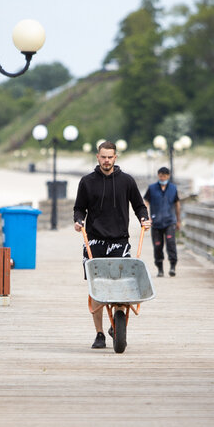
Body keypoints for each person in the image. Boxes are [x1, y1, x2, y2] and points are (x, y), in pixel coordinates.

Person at [73, 141, 151, 349]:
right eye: (103, 157)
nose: (106, 161)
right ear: (97, 157)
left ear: (115, 158)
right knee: (96, 290)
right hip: (95, 242)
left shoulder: (126, 181)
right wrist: (78, 221)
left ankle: (117, 324)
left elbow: (139, 206)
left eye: (110, 157)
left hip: (120, 242)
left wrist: (144, 218)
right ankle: (99, 334)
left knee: (122, 287)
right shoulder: (87, 182)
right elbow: (79, 209)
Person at [143, 167, 181, 278]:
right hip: (156, 222)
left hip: (170, 221)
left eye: (164, 175)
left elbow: (177, 205)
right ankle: (160, 268)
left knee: (171, 244)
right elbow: (146, 203)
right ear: (158, 175)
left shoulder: (173, 188)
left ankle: (173, 266)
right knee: (157, 246)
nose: (162, 177)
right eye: (160, 175)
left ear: (168, 176)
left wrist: (178, 220)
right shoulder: (152, 188)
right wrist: (146, 217)